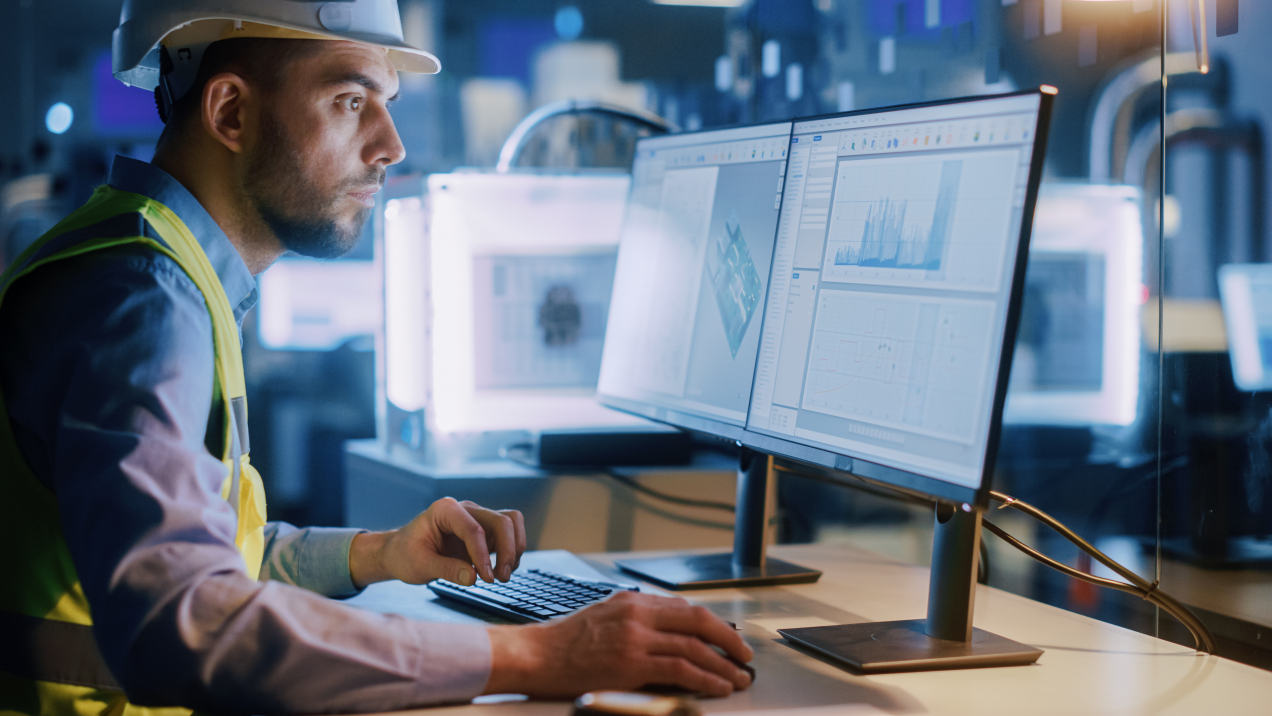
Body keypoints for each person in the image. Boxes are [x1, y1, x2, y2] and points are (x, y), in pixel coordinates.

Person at [0, 1, 752, 713]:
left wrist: (380, 554)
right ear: (230, 111)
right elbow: (181, 620)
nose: (392, 144)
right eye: (351, 100)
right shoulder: (142, 298)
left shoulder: (160, 268)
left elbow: (199, 553)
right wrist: (534, 657)